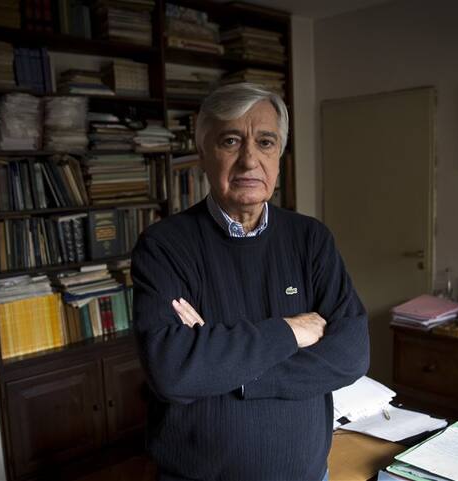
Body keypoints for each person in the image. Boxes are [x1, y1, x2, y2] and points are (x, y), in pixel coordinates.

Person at [131, 83, 370, 481]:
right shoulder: (164, 246)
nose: (249, 160)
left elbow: (351, 354)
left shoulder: (311, 239)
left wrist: (223, 363)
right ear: (203, 152)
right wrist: (291, 331)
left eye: (265, 142)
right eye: (230, 141)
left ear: (279, 155)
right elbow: (172, 371)